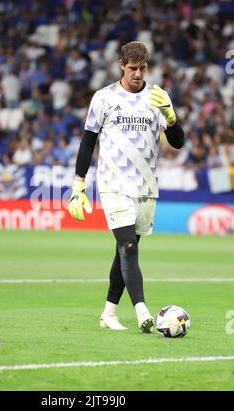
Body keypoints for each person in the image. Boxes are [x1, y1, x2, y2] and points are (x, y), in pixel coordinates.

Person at [68, 41, 185, 332]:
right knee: (128, 247)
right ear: (121, 65)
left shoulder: (157, 96)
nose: (138, 74)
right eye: (133, 68)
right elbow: (88, 141)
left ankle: (108, 313)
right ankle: (142, 311)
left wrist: (171, 118)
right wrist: (78, 185)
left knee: (125, 250)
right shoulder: (104, 98)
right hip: (113, 184)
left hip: (146, 187)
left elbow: (178, 142)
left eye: (142, 68)